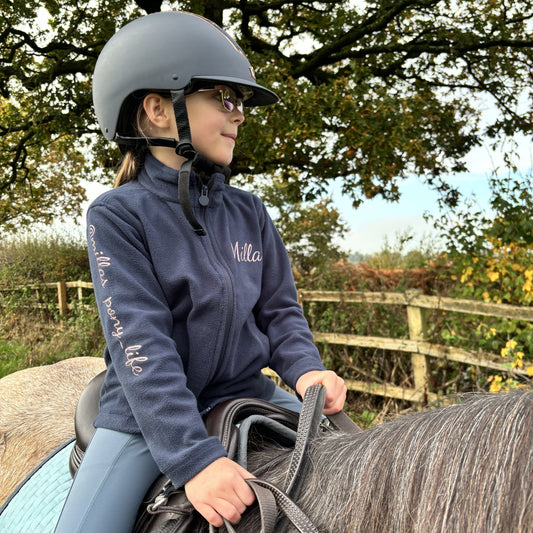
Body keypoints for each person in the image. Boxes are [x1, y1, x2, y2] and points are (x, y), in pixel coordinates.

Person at [54, 10, 346, 533]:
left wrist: (305, 369)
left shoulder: (249, 213)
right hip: (150, 416)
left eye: (240, 103)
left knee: (359, 458)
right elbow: (140, 345)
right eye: (225, 98)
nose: (240, 115)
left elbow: (279, 312)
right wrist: (194, 459)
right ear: (159, 109)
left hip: (248, 390)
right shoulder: (117, 216)